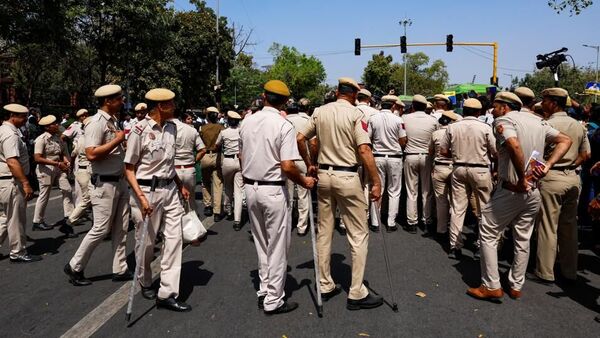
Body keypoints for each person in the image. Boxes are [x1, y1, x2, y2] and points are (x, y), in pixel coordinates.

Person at [467, 92, 571, 301]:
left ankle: (491, 285)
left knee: (487, 233)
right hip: (533, 190)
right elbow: (565, 140)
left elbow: (514, 145)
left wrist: (522, 177)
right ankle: (515, 284)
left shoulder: (505, 120)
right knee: (523, 238)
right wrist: (548, 165)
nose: (492, 110)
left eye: (495, 107)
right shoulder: (539, 121)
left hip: (512, 189)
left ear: (505, 107)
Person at [298, 77, 383, 311]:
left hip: (324, 176)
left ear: (337, 92)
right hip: (348, 177)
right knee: (358, 234)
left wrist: (310, 163)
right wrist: (376, 181)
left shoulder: (319, 111)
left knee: (324, 231)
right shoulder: (357, 115)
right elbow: (364, 149)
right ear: (355, 95)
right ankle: (356, 292)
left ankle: (325, 284)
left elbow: (301, 138)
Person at [240, 80, 316, 314]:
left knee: (262, 243)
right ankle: (274, 298)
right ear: (285, 101)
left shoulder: (247, 121)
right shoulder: (283, 125)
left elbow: (242, 155)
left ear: (263, 96)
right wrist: (305, 181)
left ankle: (265, 288)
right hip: (272, 189)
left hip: (251, 187)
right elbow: (288, 166)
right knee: (278, 246)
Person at [125, 88, 191, 312]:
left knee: (174, 239)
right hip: (146, 191)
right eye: (171, 104)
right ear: (160, 107)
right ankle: (144, 280)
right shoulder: (139, 130)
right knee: (147, 243)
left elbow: (168, 164)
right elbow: (129, 168)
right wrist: (142, 198)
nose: (175, 106)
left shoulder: (172, 128)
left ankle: (167, 292)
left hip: (170, 189)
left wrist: (180, 186)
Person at [65, 84, 132, 286]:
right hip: (104, 184)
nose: (122, 101)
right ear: (108, 101)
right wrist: (118, 140)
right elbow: (92, 153)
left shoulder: (113, 121)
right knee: (101, 229)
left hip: (119, 181)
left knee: (122, 228)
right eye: (119, 98)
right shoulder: (96, 123)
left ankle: (120, 268)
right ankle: (75, 265)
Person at [534, 88, 591, 284]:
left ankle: (545, 272)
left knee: (548, 225)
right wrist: (571, 165)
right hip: (573, 178)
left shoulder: (546, 124)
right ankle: (569, 271)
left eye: (544, 100)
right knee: (569, 226)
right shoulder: (578, 125)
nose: (542, 103)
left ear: (552, 103)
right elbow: (586, 155)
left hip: (551, 177)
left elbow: (536, 155)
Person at [441, 98, 497, 259]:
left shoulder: (452, 127)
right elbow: (494, 152)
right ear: (479, 112)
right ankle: (482, 245)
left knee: (458, 209)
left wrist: (459, 155)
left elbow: (444, 151)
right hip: (480, 170)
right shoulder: (485, 128)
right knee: (484, 209)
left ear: (463, 111)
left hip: (458, 168)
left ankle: (454, 245)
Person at [0, 104, 41, 263]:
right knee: (16, 219)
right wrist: (25, 183)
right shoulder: (10, 135)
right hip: (12, 181)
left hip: (5, 181)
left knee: (5, 217)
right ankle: (18, 252)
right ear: (12, 116)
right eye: (22, 116)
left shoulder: (4, 130)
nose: (25, 120)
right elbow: (12, 161)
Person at [368, 94, 407, 232]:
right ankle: (391, 222)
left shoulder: (372, 119)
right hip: (394, 157)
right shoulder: (398, 119)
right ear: (393, 106)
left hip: (377, 156)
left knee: (378, 188)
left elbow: (369, 138)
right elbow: (403, 140)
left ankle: (375, 221)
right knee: (394, 191)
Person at [32, 115, 75, 235]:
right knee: (44, 194)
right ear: (47, 127)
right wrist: (57, 163)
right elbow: (37, 158)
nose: (57, 125)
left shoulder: (58, 138)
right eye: (54, 124)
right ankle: (37, 221)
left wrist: (66, 162)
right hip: (46, 168)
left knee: (67, 190)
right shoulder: (41, 139)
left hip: (58, 167)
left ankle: (69, 217)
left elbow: (64, 153)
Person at [403, 94, 439, 234]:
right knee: (426, 191)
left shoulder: (405, 118)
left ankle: (411, 222)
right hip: (427, 156)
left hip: (410, 155)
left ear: (412, 105)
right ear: (425, 107)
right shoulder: (433, 120)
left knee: (411, 191)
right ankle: (426, 220)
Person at [429, 110, 459, 238]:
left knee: (441, 201)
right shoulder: (457, 132)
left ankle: (441, 229)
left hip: (439, 168)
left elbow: (430, 152)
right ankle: (454, 230)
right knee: (456, 201)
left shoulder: (435, 133)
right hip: (454, 168)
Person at [173, 112, 205, 216]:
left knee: (175, 201)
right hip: (189, 169)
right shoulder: (192, 131)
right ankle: (193, 225)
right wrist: (193, 161)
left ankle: (179, 225)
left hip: (174, 170)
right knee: (190, 199)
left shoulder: (169, 130)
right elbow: (202, 150)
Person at [216, 111, 244, 230]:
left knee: (227, 187)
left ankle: (228, 210)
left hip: (227, 161)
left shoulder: (223, 132)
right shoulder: (241, 131)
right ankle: (237, 220)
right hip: (239, 161)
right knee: (239, 191)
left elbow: (217, 145)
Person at [66, 117, 93, 225]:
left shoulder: (80, 138)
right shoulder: (89, 139)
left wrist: (71, 168)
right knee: (88, 198)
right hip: (86, 170)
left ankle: (96, 223)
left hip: (82, 170)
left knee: (94, 198)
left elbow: (73, 155)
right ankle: (70, 220)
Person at [199, 106, 224, 220]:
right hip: (218, 155)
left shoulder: (202, 128)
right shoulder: (221, 128)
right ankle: (217, 211)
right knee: (218, 183)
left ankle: (208, 205)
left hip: (205, 155)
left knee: (205, 182)